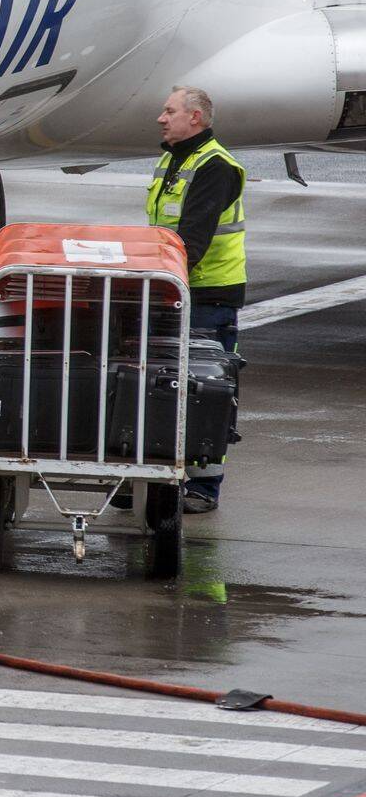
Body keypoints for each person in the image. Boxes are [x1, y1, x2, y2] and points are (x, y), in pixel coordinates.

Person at [146, 85, 246, 513]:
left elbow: (194, 239)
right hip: (173, 288)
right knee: (158, 384)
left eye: (169, 111)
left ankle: (204, 487)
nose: (161, 118)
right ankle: (153, 473)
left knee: (207, 389)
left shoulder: (215, 166)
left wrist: (161, 282)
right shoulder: (173, 158)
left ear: (196, 119)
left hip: (206, 295)